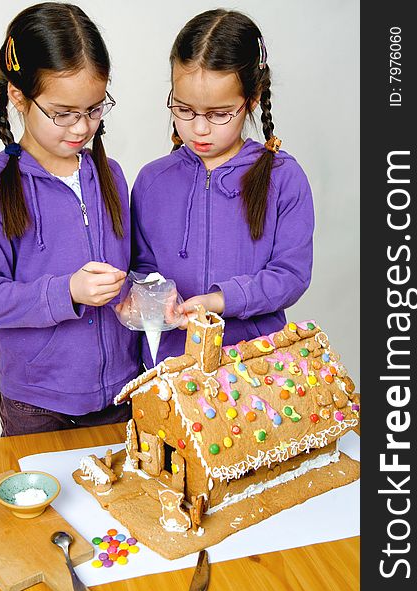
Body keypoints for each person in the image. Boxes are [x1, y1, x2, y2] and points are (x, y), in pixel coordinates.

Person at [0, 2, 140, 435]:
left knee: (123, 502)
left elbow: (125, 269)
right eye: (63, 113)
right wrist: (69, 291)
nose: (81, 128)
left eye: (95, 110)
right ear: (18, 96)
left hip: (121, 391)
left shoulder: (109, 175)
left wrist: (137, 294)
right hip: (37, 404)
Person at [130, 9, 314, 369]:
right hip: (170, 369)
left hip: (255, 369)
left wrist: (219, 300)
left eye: (218, 114)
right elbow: (141, 266)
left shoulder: (284, 177)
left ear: (253, 99)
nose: (199, 129)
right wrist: (151, 296)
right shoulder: (152, 180)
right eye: (184, 109)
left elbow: (290, 275)